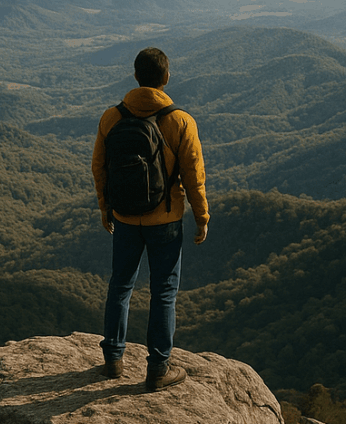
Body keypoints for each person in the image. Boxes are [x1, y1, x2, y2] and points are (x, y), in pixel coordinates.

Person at [91, 47, 210, 392]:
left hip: (125, 218)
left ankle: (113, 359)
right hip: (166, 219)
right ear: (166, 79)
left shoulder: (111, 118)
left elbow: (99, 167)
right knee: (164, 293)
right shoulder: (180, 121)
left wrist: (105, 207)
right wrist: (201, 216)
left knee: (120, 285)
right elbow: (193, 176)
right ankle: (158, 369)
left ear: (135, 76)